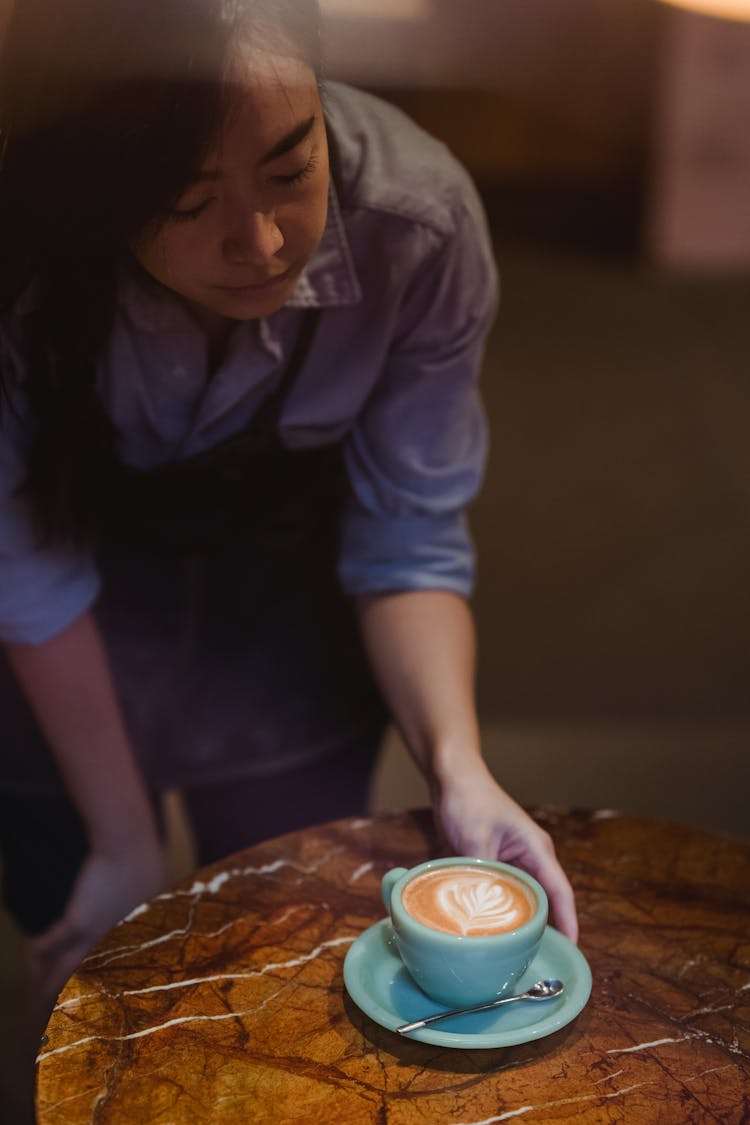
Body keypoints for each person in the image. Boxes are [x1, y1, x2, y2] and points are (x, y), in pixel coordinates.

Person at [0, 0, 578, 1110]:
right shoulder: (24, 243)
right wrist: (121, 838)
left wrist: (458, 767)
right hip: (55, 642)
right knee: (92, 963)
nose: (261, 242)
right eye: (186, 200)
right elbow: (24, 570)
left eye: (287, 167)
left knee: (285, 950)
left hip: (285, 606)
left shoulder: (420, 219)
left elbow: (407, 534)